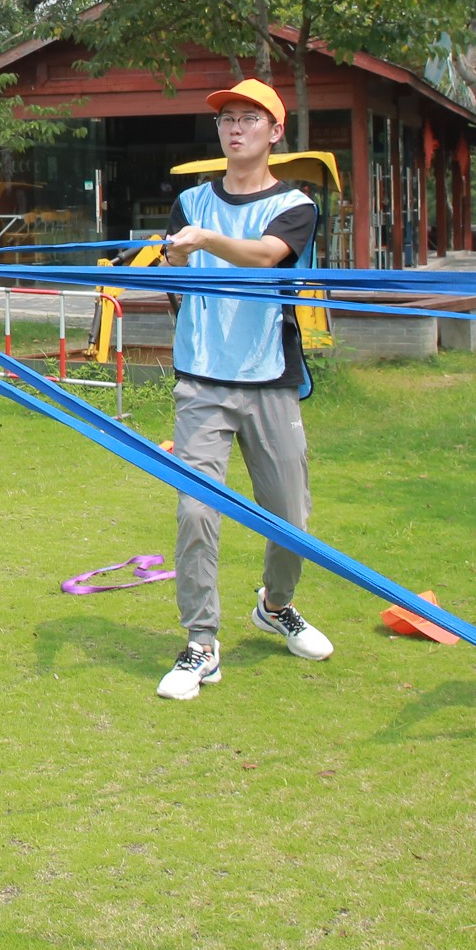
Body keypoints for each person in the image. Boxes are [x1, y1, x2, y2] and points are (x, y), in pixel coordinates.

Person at [154, 78, 334, 702]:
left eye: (249, 118)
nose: (235, 128)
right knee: (196, 511)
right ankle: (201, 643)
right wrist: (177, 257)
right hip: (202, 381)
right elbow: (175, 278)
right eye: (227, 118)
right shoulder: (189, 202)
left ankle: (275, 606)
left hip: (269, 380)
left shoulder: (297, 205)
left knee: (290, 518)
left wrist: (204, 241)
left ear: (275, 131)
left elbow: (264, 255)